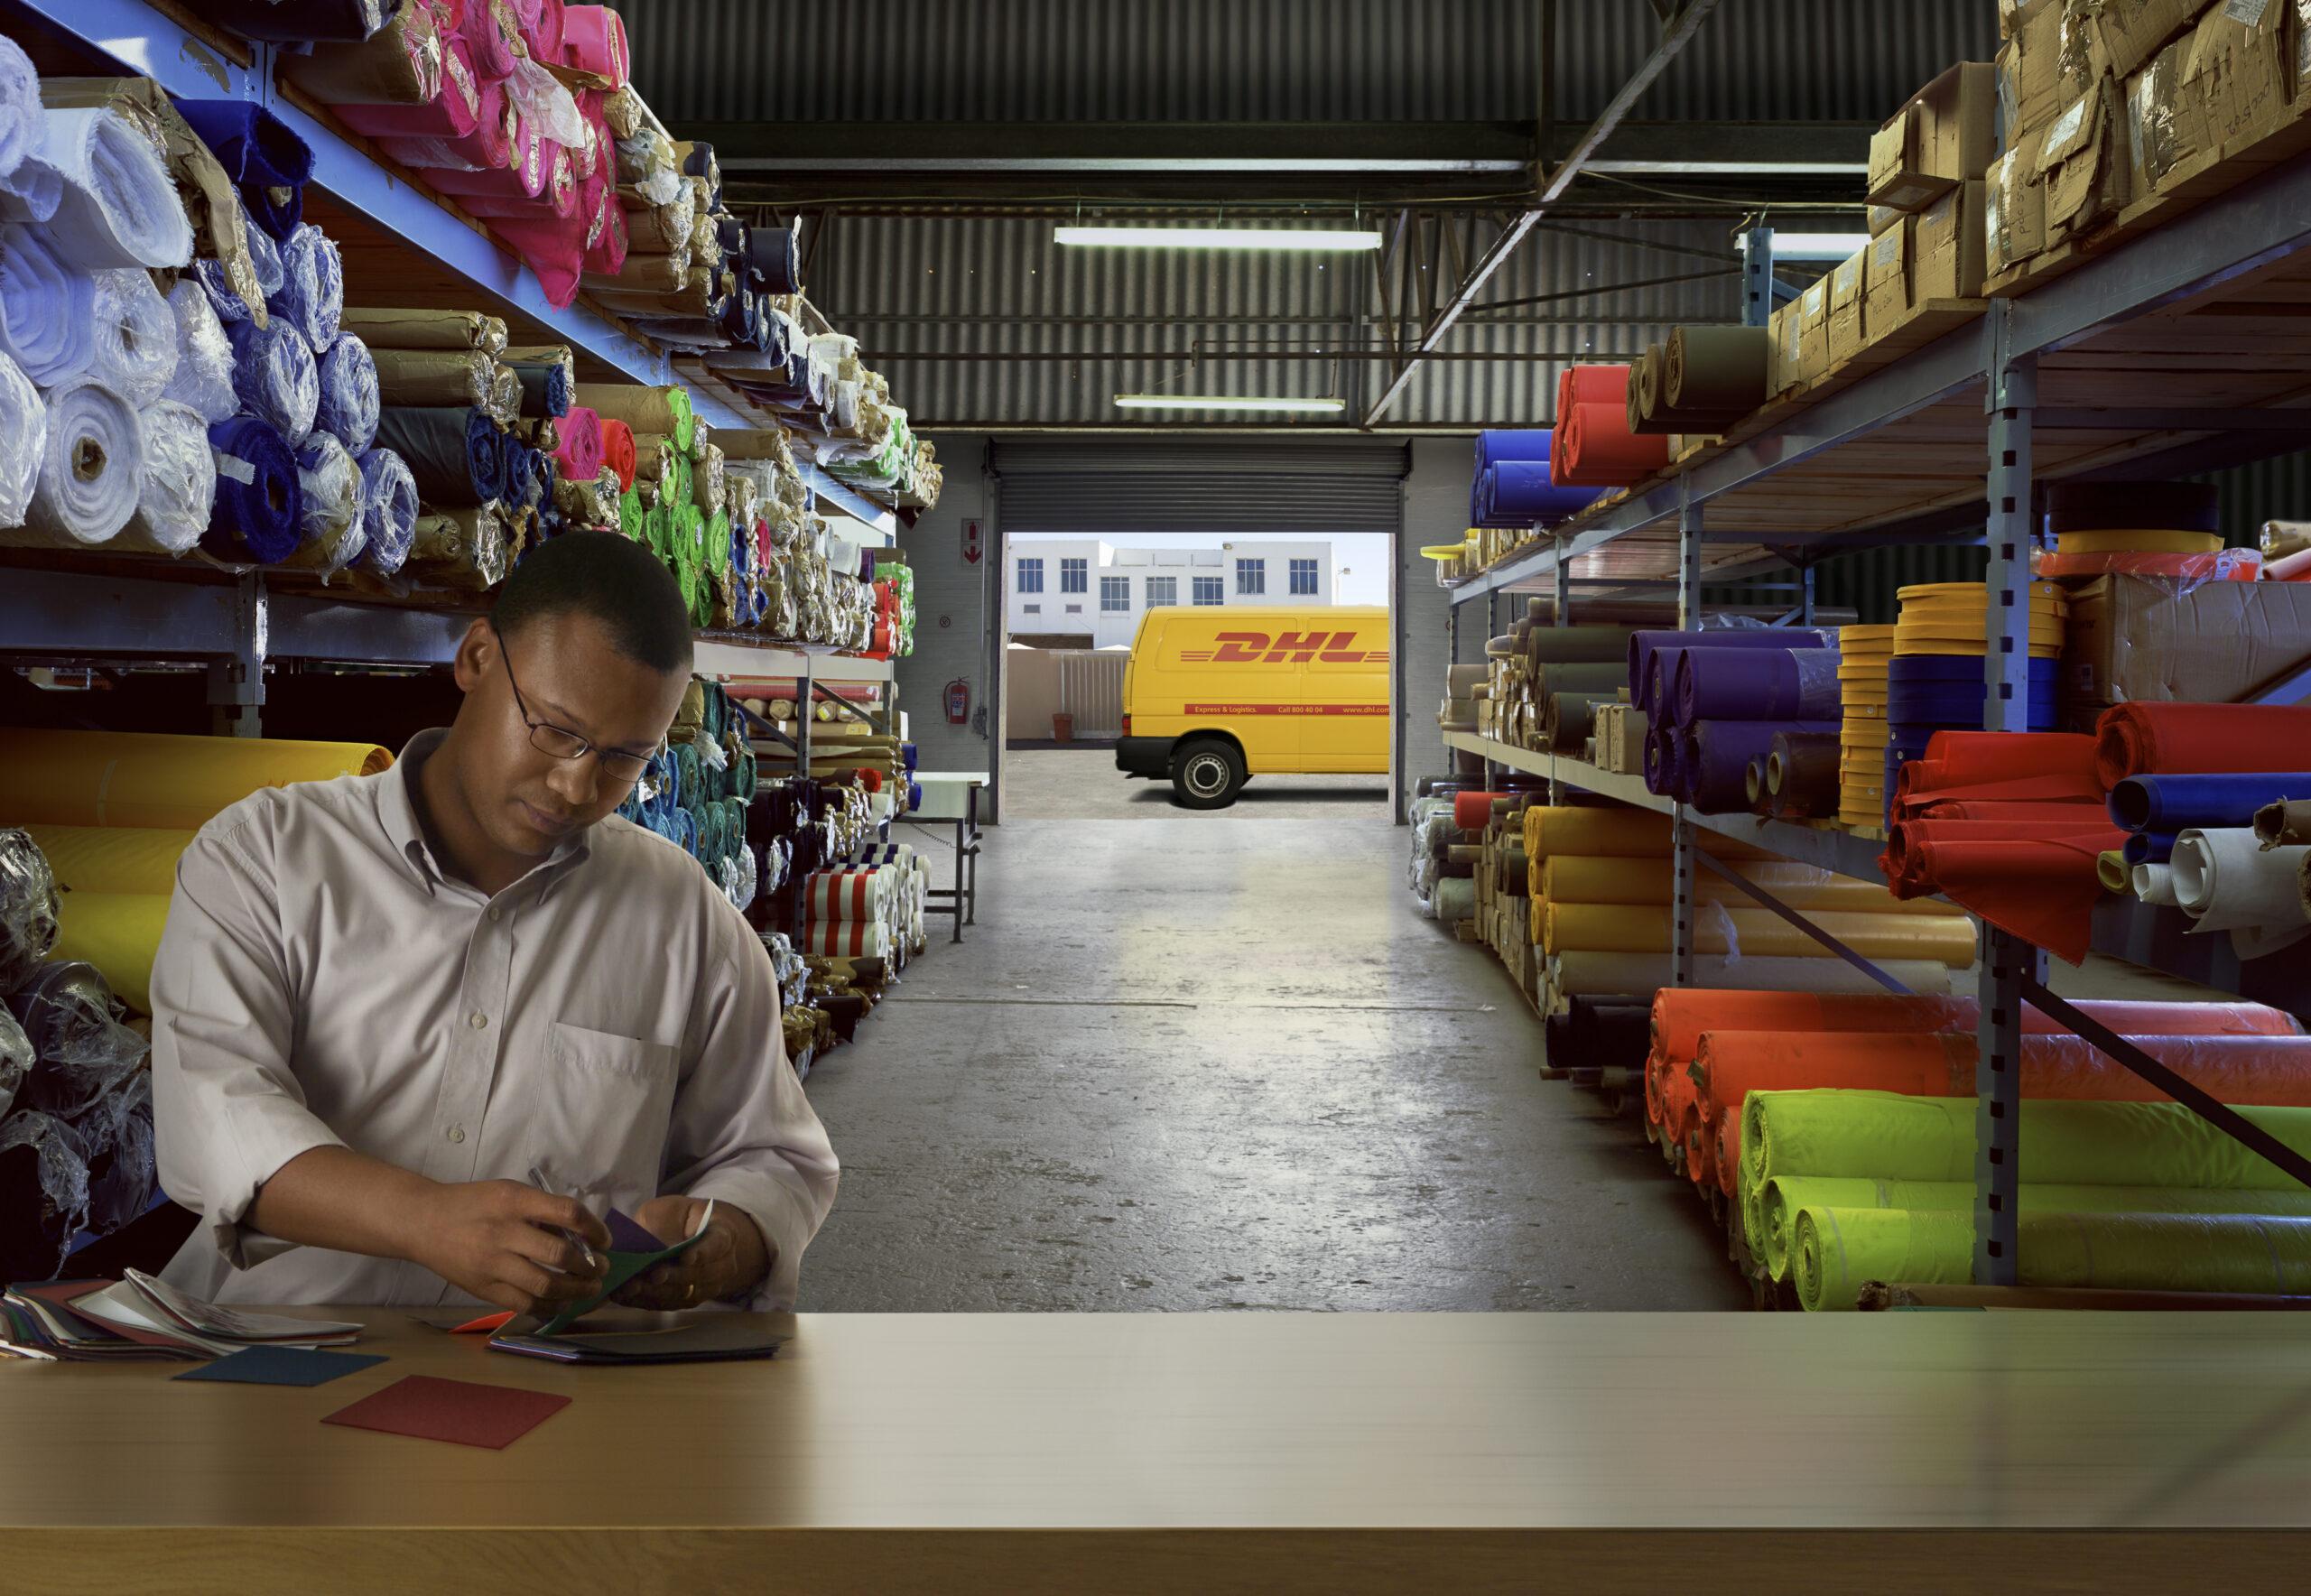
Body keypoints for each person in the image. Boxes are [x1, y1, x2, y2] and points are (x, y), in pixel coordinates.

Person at [151, 531, 837, 1313]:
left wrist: (726, 1245)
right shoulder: (264, 858)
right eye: (554, 729)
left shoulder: (680, 918)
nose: (577, 784)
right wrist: (424, 1221)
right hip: (270, 1354)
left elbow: (775, 1155)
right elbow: (213, 1116)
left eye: (624, 758)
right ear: (477, 658)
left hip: (542, 1386)